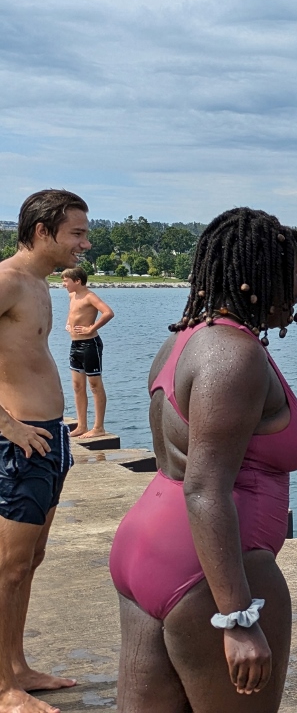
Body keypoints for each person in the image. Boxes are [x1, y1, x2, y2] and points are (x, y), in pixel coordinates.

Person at [109, 208, 297, 712]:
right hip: (209, 569)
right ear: (255, 277)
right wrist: (238, 618)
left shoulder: (183, 340)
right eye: (292, 274)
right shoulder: (234, 355)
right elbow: (205, 488)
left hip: (147, 545)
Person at [0, 189, 93, 713]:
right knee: (7, 567)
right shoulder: (7, 281)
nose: (85, 243)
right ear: (43, 231)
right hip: (19, 441)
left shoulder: (39, 285)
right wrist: (7, 427)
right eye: (77, 233)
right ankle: (0, 688)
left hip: (49, 437)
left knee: (29, 561)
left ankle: (15, 667)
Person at [60, 268, 114, 438]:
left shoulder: (90, 296)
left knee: (95, 385)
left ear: (77, 281)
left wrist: (92, 327)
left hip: (90, 344)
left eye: (66, 281)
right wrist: (68, 323)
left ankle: (99, 427)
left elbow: (108, 312)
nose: (63, 284)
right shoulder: (72, 296)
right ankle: (82, 425)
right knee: (77, 386)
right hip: (75, 345)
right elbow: (72, 313)